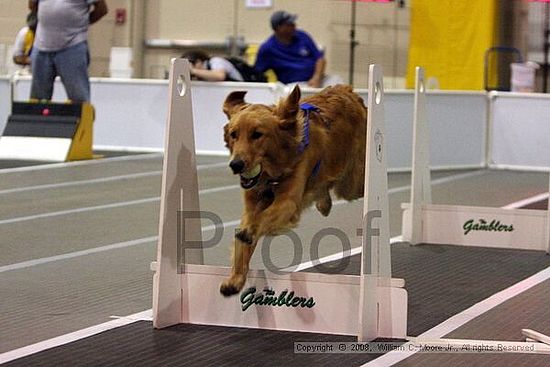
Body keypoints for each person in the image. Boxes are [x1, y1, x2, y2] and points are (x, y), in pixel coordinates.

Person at [28, 0, 108, 103]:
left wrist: (81, 23)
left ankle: (79, 117)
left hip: (72, 45)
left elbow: (101, 10)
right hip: (42, 45)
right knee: (37, 100)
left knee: (78, 97)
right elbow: (32, 5)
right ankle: (37, 119)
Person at [254, 10, 340, 88]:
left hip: (316, 79)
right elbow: (257, 72)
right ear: (278, 28)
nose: (294, 25)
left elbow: (320, 59)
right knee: (303, 93)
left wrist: (316, 78)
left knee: (338, 83)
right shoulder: (267, 48)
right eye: (289, 24)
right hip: (293, 85)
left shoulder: (302, 36)